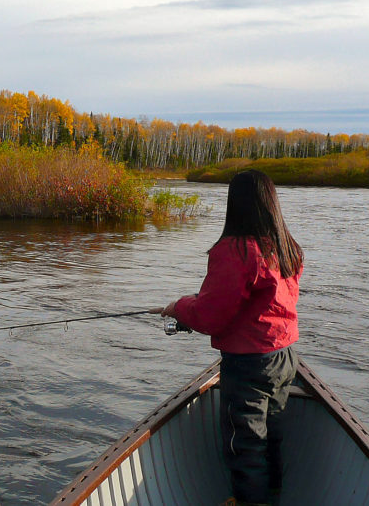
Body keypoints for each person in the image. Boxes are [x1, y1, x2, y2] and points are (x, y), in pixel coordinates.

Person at [158, 169, 302, 506]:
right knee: (271, 441)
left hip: (248, 365)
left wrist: (177, 307)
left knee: (247, 448)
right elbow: (250, 306)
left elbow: (210, 315)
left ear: (234, 204)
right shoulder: (286, 248)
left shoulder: (236, 250)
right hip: (284, 357)